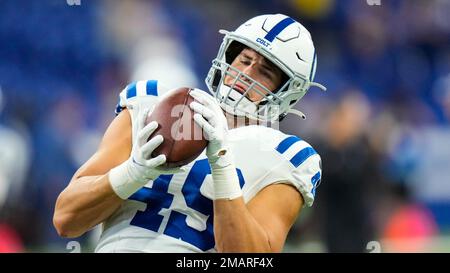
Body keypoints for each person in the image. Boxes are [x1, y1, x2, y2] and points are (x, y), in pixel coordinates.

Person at [53, 13, 326, 253]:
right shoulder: (154, 105)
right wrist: (135, 171)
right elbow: (66, 219)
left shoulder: (285, 154)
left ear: (288, 92)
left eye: (264, 72)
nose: (245, 74)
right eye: (243, 59)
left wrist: (221, 163)